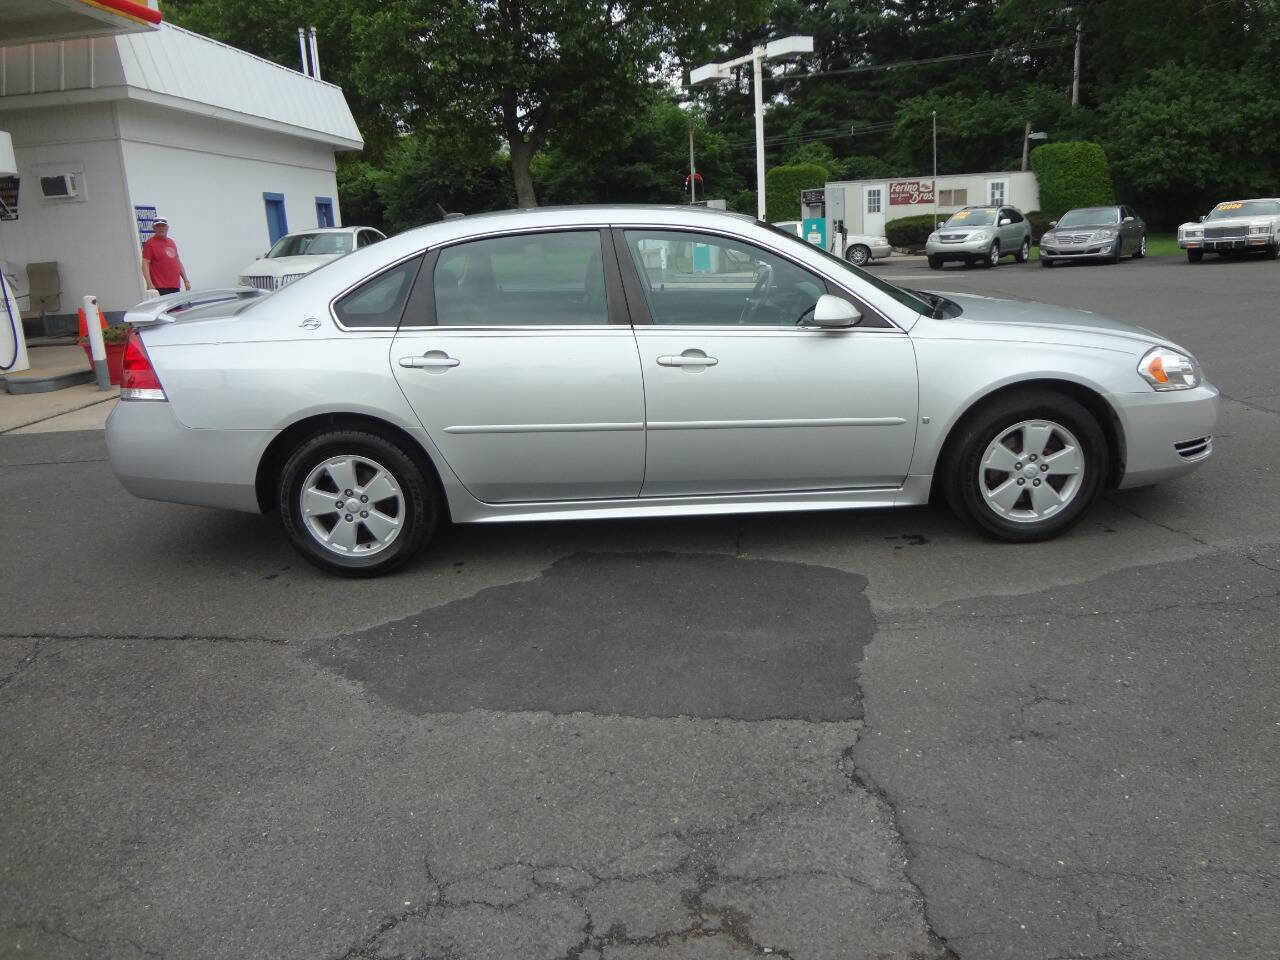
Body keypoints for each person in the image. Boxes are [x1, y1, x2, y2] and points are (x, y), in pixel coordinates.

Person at [141, 216, 190, 295]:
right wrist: (149, 283)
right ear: (154, 228)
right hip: (160, 287)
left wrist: (186, 280)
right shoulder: (150, 243)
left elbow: (177, 262)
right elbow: (145, 264)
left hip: (175, 286)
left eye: (163, 226)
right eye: (158, 226)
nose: (161, 228)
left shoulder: (171, 242)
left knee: (177, 308)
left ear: (167, 228)